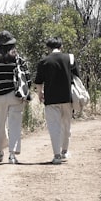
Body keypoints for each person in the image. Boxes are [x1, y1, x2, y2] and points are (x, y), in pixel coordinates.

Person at [0, 30, 30, 164]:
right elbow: (27, 77)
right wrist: (25, 93)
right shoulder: (18, 59)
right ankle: (12, 155)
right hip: (15, 96)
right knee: (14, 125)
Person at [32, 36, 79, 164]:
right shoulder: (69, 58)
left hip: (51, 99)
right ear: (61, 46)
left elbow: (38, 81)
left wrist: (40, 93)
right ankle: (65, 151)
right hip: (66, 98)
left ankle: (56, 155)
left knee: (54, 127)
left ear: (48, 48)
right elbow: (77, 78)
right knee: (66, 125)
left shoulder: (44, 62)